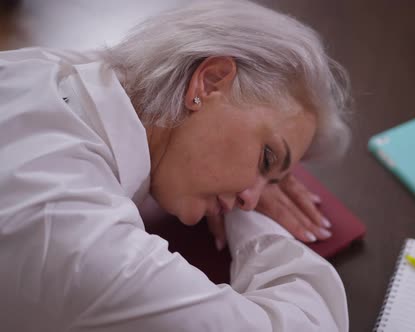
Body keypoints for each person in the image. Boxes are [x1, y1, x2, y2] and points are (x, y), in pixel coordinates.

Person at [0, 0, 352, 331]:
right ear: (210, 80)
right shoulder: (80, 233)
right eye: (267, 157)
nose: (251, 197)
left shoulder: (47, 69)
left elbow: (134, 65)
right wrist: (254, 226)